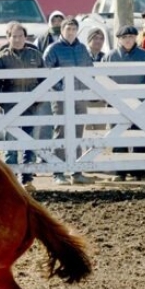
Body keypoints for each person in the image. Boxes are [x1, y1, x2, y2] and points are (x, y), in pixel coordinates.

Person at [43, 17, 95, 185]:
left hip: (79, 96)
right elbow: (46, 72)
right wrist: (61, 90)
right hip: (60, 98)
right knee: (61, 132)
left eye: (73, 29)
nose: (71, 32)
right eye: (68, 29)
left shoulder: (82, 49)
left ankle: (76, 171)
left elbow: (89, 70)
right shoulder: (53, 49)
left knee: (78, 132)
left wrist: (85, 89)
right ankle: (58, 172)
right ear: (62, 30)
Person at [0, 22, 45, 192]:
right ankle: (11, 179)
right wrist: (0, 101)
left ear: (25, 37)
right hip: (10, 105)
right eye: (13, 36)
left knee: (29, 141)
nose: (17, 39)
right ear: (8, 37)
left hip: (31, 105)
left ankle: (26, 179)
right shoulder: (2, 57)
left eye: (20, 36)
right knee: (11, 143)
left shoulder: (35, 55)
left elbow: (44, 79)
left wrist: (39, 99)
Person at [104, 26, 145, 182]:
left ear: (136, 38)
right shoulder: (110, 57)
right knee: (118, 137)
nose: (128, 39)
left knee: (140, 136)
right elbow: (102, 80)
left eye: (131, 36)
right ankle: (120, 171)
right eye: (124, 37)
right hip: (116, 103)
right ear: (119, 39)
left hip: (139, 103)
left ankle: (139, 171)